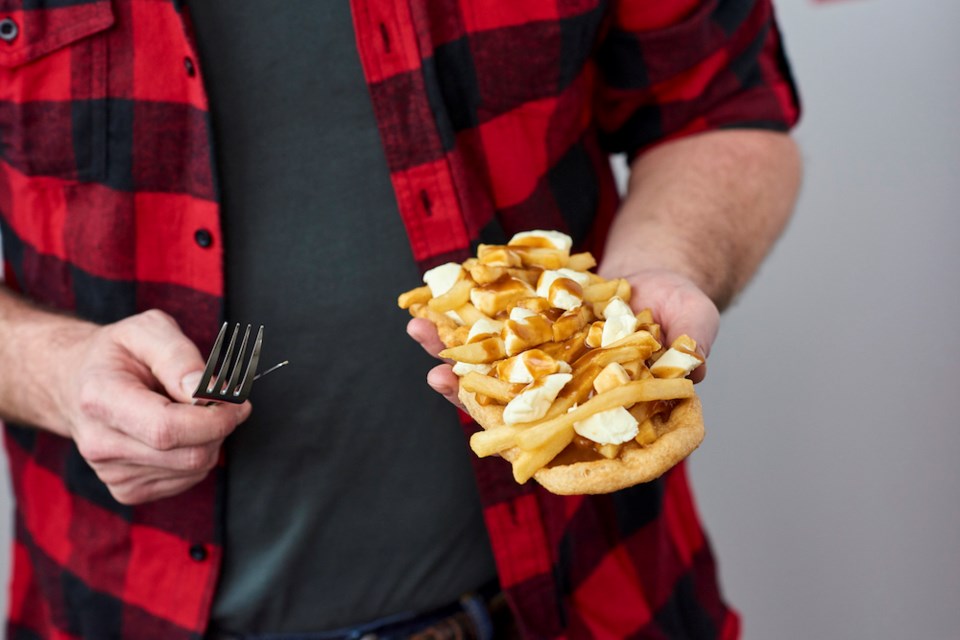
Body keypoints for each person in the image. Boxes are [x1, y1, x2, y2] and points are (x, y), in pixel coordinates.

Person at [0, 0, 800, 638]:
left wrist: (658, 272)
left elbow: (723, 105)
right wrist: (55, 371)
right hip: (116, 608)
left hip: (591, 595)